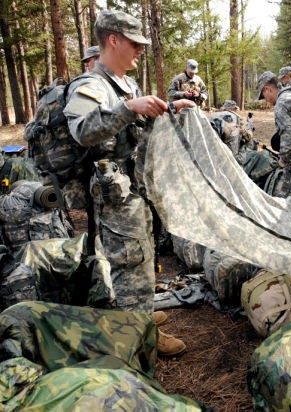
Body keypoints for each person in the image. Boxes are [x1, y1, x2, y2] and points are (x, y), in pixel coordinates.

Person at [64, 9, 195, 356]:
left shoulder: (124, 84)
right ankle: (139, 343)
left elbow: (133, 133)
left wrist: (167, 108)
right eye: (134, 43)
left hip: (135, 191)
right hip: (116, 199)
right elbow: (82, 130)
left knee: (143, 259)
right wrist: (129, 108)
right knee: (130, 269)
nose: (140, 50)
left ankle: (143, 317)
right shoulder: (90, 84)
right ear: (113, 40)